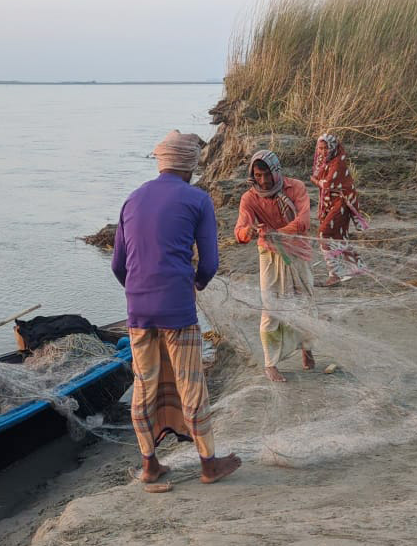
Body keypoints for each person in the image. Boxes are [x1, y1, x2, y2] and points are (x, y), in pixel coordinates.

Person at [111, 130, 241, 486]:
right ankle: (208, 464)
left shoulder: (132, 199)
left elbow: (118, 266)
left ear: (162, 162)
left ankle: (150, 465)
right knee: (191, 384)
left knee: (144, 384)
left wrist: (140, 292)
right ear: (190, 165)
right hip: (178, 310)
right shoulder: (197, 200)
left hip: (138, 311)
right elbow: (210, 263)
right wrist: (193, 284)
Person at [234, 149, 316, 382]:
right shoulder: (249, 198)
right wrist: (247, 232)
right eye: (258, 176)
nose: (263, 180)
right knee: (271, 307)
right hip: (269, 254)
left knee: (306, 301)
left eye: (267, 174)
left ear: (276, 170)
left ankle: (306, 349)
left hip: (298, 252)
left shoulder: (296, 188)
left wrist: (278, 233)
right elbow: (239, 230)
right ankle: (271, 364)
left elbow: (303, 222)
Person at [311, 133, 368, 285]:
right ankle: (357, 267)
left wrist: (316, 181)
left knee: (323, 233)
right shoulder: (327, 162)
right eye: (320, 148)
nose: (322, 152)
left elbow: (328, 184)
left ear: (332, 148)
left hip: (341, 203)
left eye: (325, 148)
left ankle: (335, 274)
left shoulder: (338, 163)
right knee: (338, 236)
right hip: (334, 203)